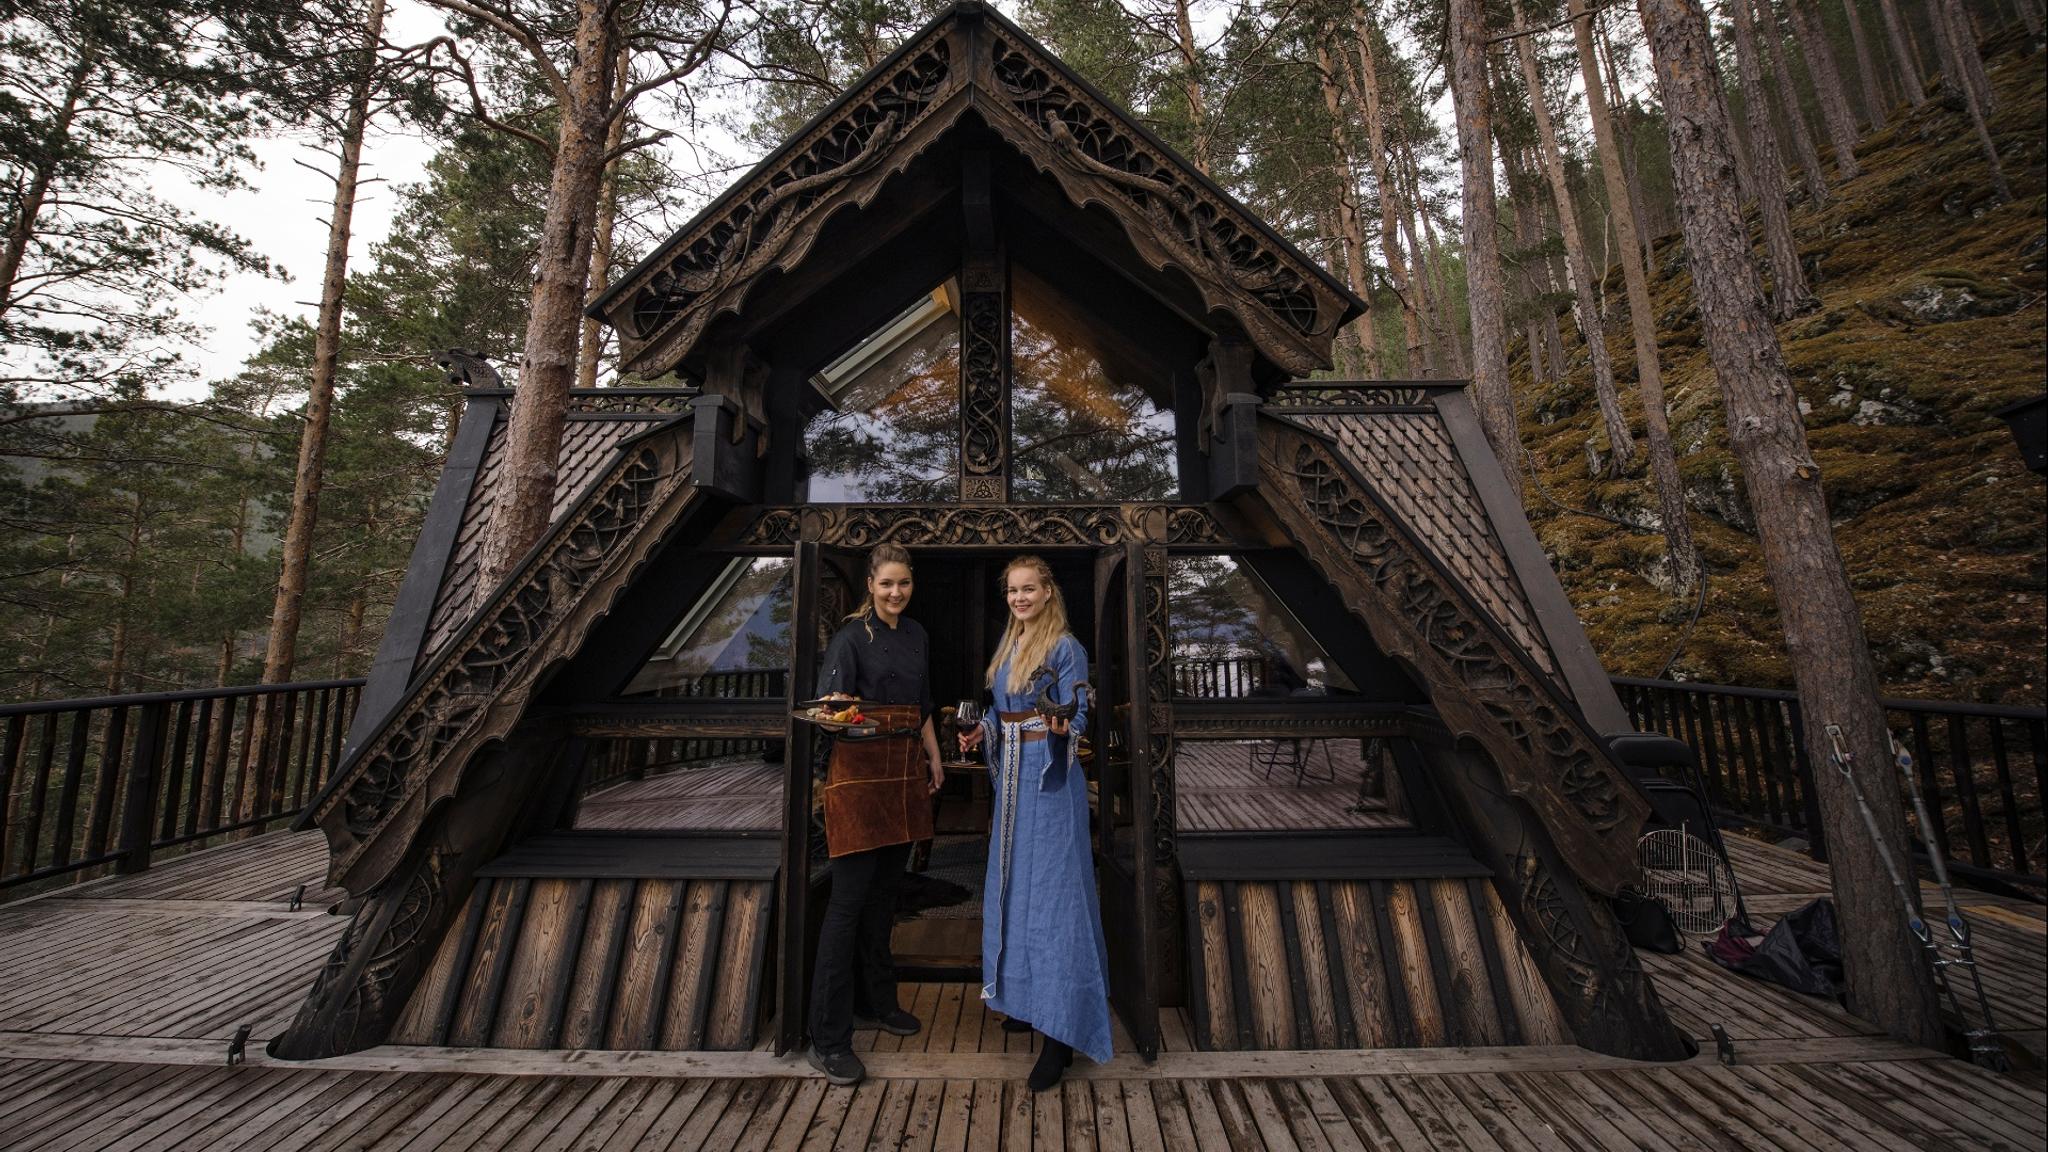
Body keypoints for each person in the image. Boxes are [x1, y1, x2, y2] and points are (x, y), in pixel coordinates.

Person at [959, 555, 1112, 1090]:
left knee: (1054, 899)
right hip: (1011, 786)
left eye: (1029, 589)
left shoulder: (1065, 647)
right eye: (1012, 591)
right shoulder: (1011, 644)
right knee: (1014, 893)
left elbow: (1079, 714)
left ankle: (1062, 1034)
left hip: (1047, 784)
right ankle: (1026, 1001)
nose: (1019, 598)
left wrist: (1058, 724)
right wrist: (983, 732)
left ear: (1049, 592)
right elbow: (1002, 713)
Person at [808, 544, 945, 1086]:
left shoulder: (917, 636)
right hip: (858, 781)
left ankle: (878, 1003)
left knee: (885, 898)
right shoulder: (848, 639)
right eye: (887, 584)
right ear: (870, 584)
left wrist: (934, 757)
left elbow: (923, 707)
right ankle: (828, 1038)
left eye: (904, 585)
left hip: (905, 773)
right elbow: (828, 713)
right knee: (846, 908)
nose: (896, 593)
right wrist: (840, 711)